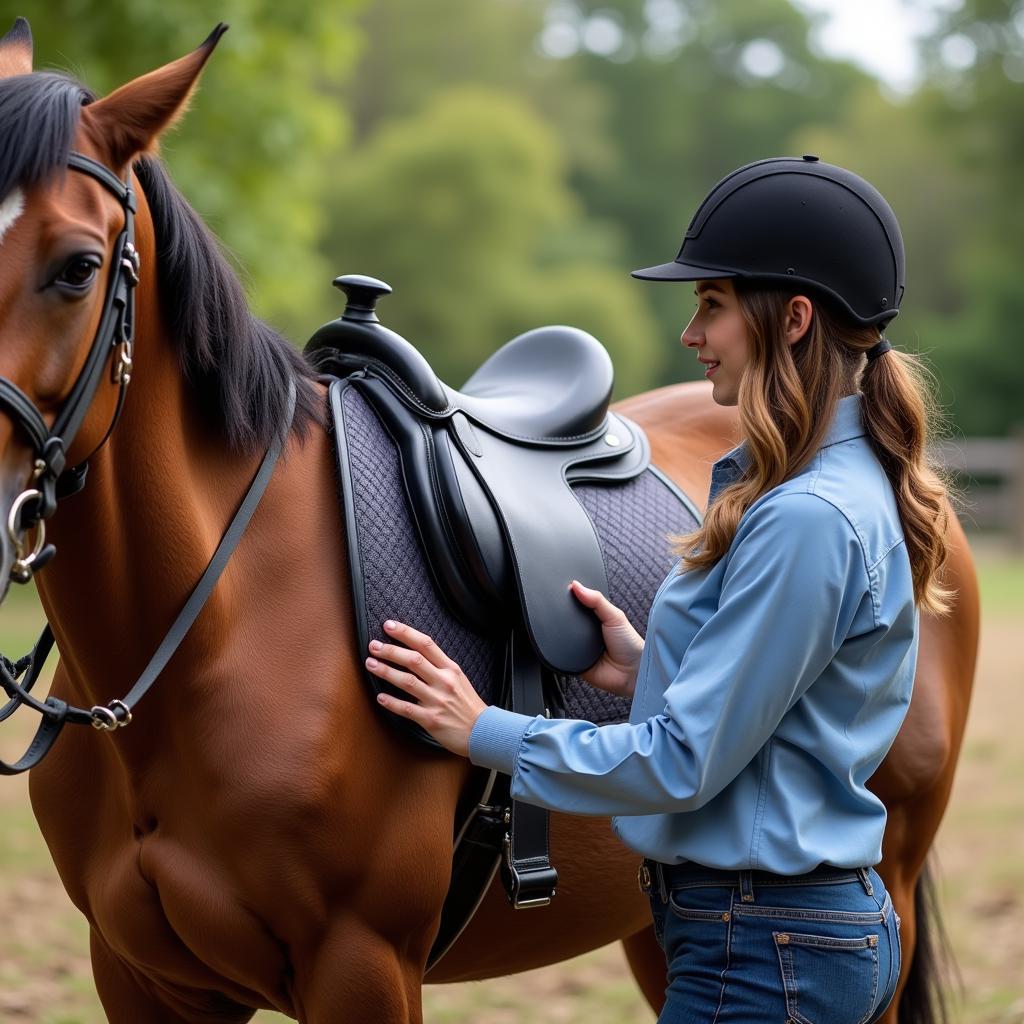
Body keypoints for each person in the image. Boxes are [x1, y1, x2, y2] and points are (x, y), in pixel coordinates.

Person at [363, 156, 953, 1023]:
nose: (692, 334)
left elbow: (682, 764)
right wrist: (650, 667)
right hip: (782, 937)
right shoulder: (824, 489)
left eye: (711, 304)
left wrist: (479, 729)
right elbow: (785, 716)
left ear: (792, 319)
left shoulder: (806, 519)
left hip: (761, 949)